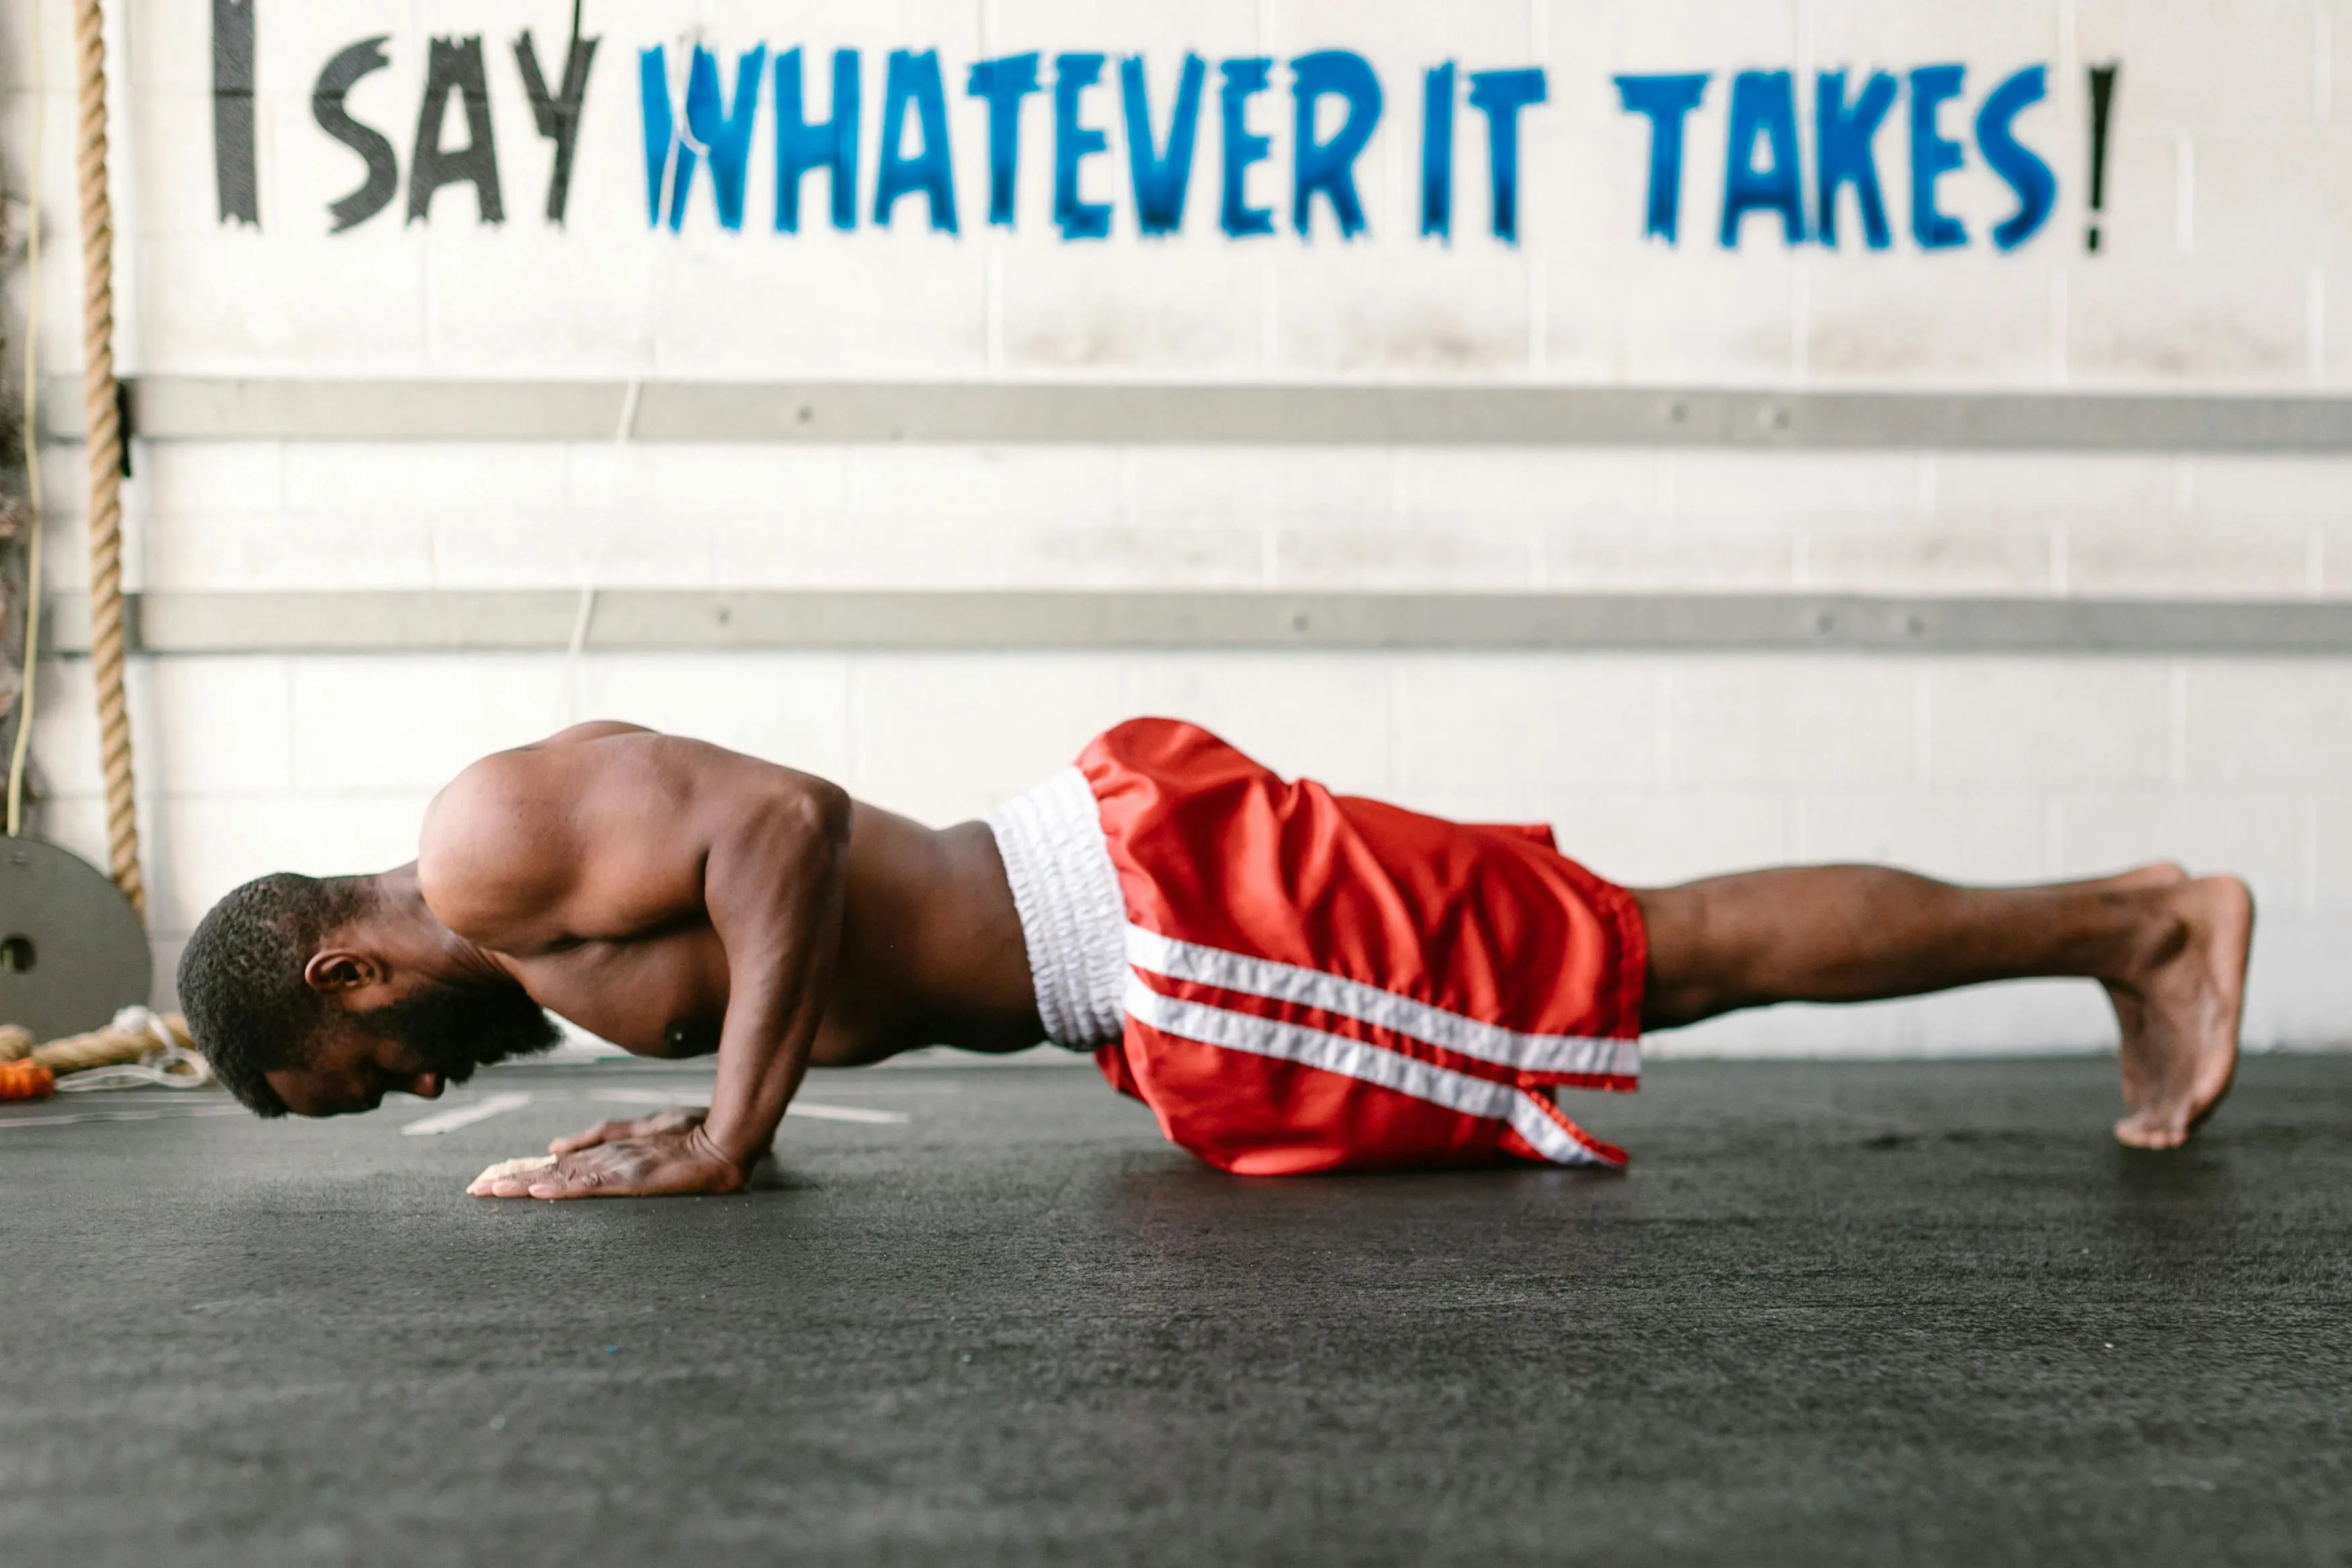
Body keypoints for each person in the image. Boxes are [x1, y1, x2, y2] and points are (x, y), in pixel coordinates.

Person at [176, 718, 2253, 1198]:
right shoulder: (528, 952)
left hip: (1164, 916)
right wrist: (695, 1108)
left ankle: (2145, 918)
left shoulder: (479, 843)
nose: (418, 1099)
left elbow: (778, 830)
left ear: (344, 977)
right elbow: (750, 922)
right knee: (1649, 952)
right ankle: (2125, 926)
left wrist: (732, 1129)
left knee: (1654, 955)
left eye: (371, 1077)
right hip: (1148, 971)